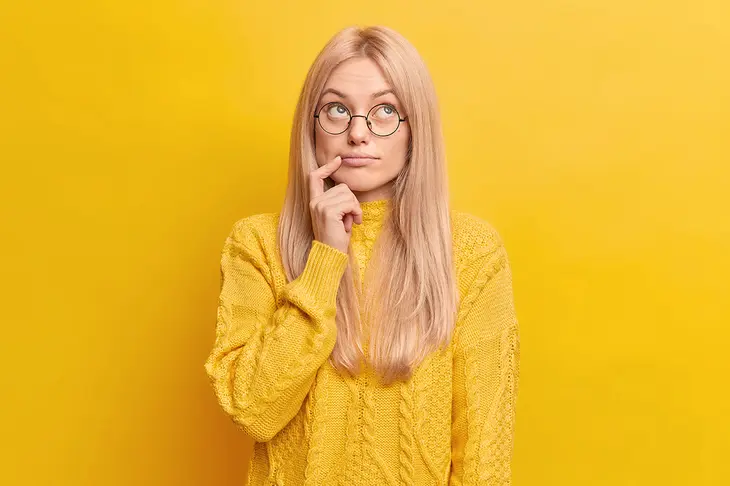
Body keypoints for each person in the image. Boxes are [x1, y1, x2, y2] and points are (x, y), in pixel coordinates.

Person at [204, 24, 520, 486]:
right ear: (310, 127)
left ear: (416, 131)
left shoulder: (471, 253)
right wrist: (324, 259)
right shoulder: (256, 244)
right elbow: (253, 409)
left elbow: (482, 458)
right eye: (337, 109)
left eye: (385, 110)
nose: (358, 133)